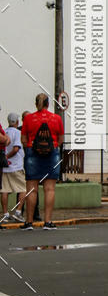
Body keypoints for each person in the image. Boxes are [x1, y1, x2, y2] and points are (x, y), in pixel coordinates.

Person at [21, 93, 64, 230]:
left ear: (36, 104)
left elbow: (23, 139)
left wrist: (31, 148)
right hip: (52, 153)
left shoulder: (28, 118)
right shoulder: (56, 118)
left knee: (31, 189)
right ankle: (48, 222)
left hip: (32, 152)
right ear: (48, 104)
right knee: (49, 188)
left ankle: (29, 222)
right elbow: (61, 139)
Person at [1, 113, 26, 223]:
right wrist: (7, 157)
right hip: (16, 166)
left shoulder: (4, 132)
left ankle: (5, 213)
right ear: (17, 122)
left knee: (4, 190)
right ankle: (18, 212)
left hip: (5, 167)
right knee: (23, 189)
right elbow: (16, 149)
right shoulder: (17, 133)